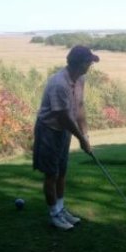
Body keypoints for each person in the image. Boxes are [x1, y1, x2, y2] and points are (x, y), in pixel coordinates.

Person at [33, 45, 99, 230]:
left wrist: (85, 134)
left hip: (64, 130)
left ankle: (61, 209)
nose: (90, 66)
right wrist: (81, 139)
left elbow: (79, 108)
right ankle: (54, 214)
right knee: (51, 174)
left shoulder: (80, 79)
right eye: (89, 62)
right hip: (49, 130)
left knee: (62, 172)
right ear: (80, 64)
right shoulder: (58, 84)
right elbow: (63, 117)